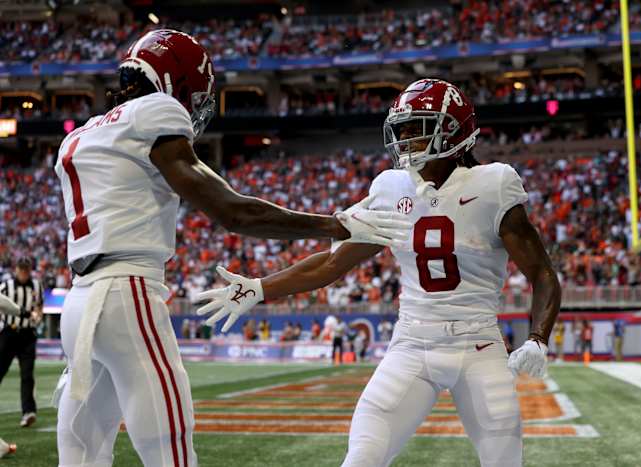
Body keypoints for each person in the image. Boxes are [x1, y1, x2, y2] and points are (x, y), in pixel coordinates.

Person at [53, 29, 410, 467]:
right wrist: (335, 225)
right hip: (126, 295)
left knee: (82, 456)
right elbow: (233, 212)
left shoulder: (81, 135)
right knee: (171, 450)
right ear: (176, 82)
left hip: (79, 303)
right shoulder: (155, 112)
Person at [197, 79, 561, 467]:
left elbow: (542, 273)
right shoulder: (391, 188)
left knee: (504, 460)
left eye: (416, 126)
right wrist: (258, 288)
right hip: (411, 343)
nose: (404, 137)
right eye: (400, 128)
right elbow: (333, 262)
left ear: (454, 130)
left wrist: (539, 338)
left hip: (478, 345)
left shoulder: (494, 184)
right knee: (361, 458)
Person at [0, 257, 44, 428]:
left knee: (27, 375)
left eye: (27, 269)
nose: (24, 273)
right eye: (21, 269)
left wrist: (38, 317)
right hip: (9, 333)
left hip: (27, 335)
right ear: (16, 269)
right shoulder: (6, 286)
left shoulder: (37, 285)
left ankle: (28, 412)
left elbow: (39, 306)